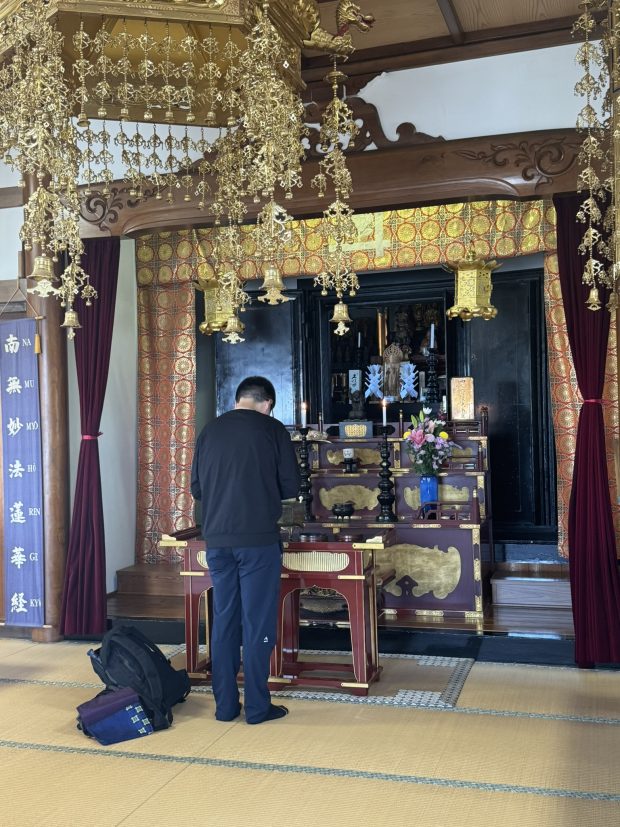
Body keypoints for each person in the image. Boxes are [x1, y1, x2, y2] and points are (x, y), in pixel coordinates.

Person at [190, 376, 301, 724]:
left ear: (238, 399)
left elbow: (197, 488)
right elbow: (291, 487)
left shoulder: (209, 431)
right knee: (257, 621)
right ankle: (256, 706)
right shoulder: (272, 430)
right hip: (257, 541)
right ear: (267, 404)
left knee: (224, 620)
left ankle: (225, 707)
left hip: (217, 540)